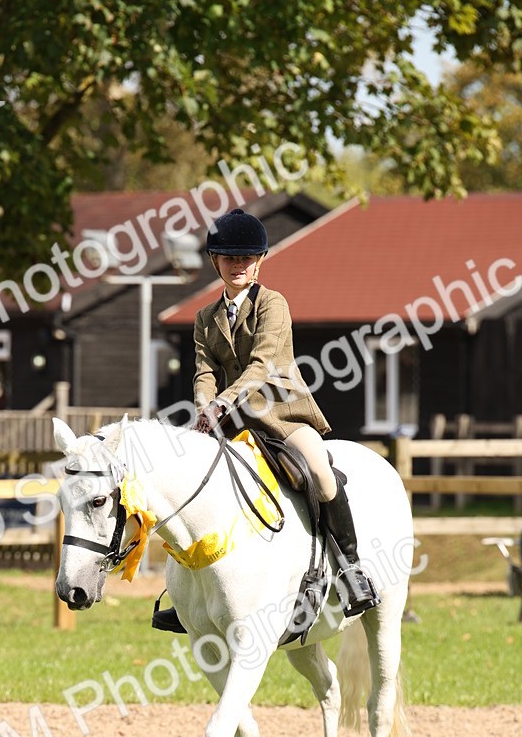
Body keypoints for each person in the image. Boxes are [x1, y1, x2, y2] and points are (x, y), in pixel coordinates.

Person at [155, 207, 379, 633]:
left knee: (321, 473)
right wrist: (205, 406)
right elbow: (203, 371)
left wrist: (219, 403)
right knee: (188, 482)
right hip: (230, 422)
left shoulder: (273, 304)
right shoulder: (205, 319)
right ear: (215, 262)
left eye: (245, 259)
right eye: (229, 258)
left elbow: (261, 366)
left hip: (281, 415)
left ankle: (352, 572)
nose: (237, 266)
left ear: (258, 261)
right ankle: (187, 596)